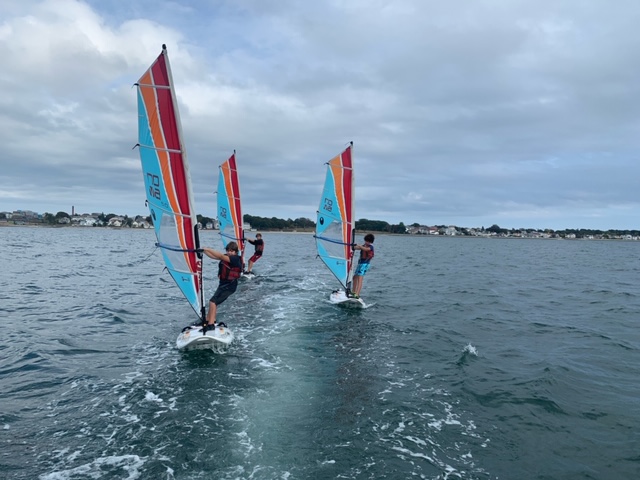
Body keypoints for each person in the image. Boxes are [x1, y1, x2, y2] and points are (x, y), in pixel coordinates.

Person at [201, 241, 243, 330]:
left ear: (235, 252)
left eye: (231, 251)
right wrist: (203, 251)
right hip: (223, 284)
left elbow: (220, 256)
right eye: (228, 250)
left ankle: (211, 325)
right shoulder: (226, 257)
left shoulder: (235, 259)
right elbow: (214, 256)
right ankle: (209, 320)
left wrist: (207, 248)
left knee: (213, 302)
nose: (229, 252)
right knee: (212, 302)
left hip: (230, 286)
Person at [350, 233, 375, 298]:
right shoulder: (363, 245)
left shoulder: (370, 247)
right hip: (360, 264)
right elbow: (356, 248)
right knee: (354, 277)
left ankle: (357, 294)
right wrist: (352, 246)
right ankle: (353, 291)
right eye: (366, 241)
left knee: (360, 279)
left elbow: (365, 249)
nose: (367, 242)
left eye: (369, 241)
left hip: (365, 264)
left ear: (371, 242)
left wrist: (359, 245)